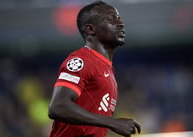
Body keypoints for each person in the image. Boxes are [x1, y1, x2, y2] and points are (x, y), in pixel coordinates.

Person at [48, 1, 141, 137]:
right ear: (91, 30)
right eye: (111, 19)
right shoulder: (81, 60)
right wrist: (113, 123)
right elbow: (58, 107)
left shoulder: (106, 68)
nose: (120, 24)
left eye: (119, 18)